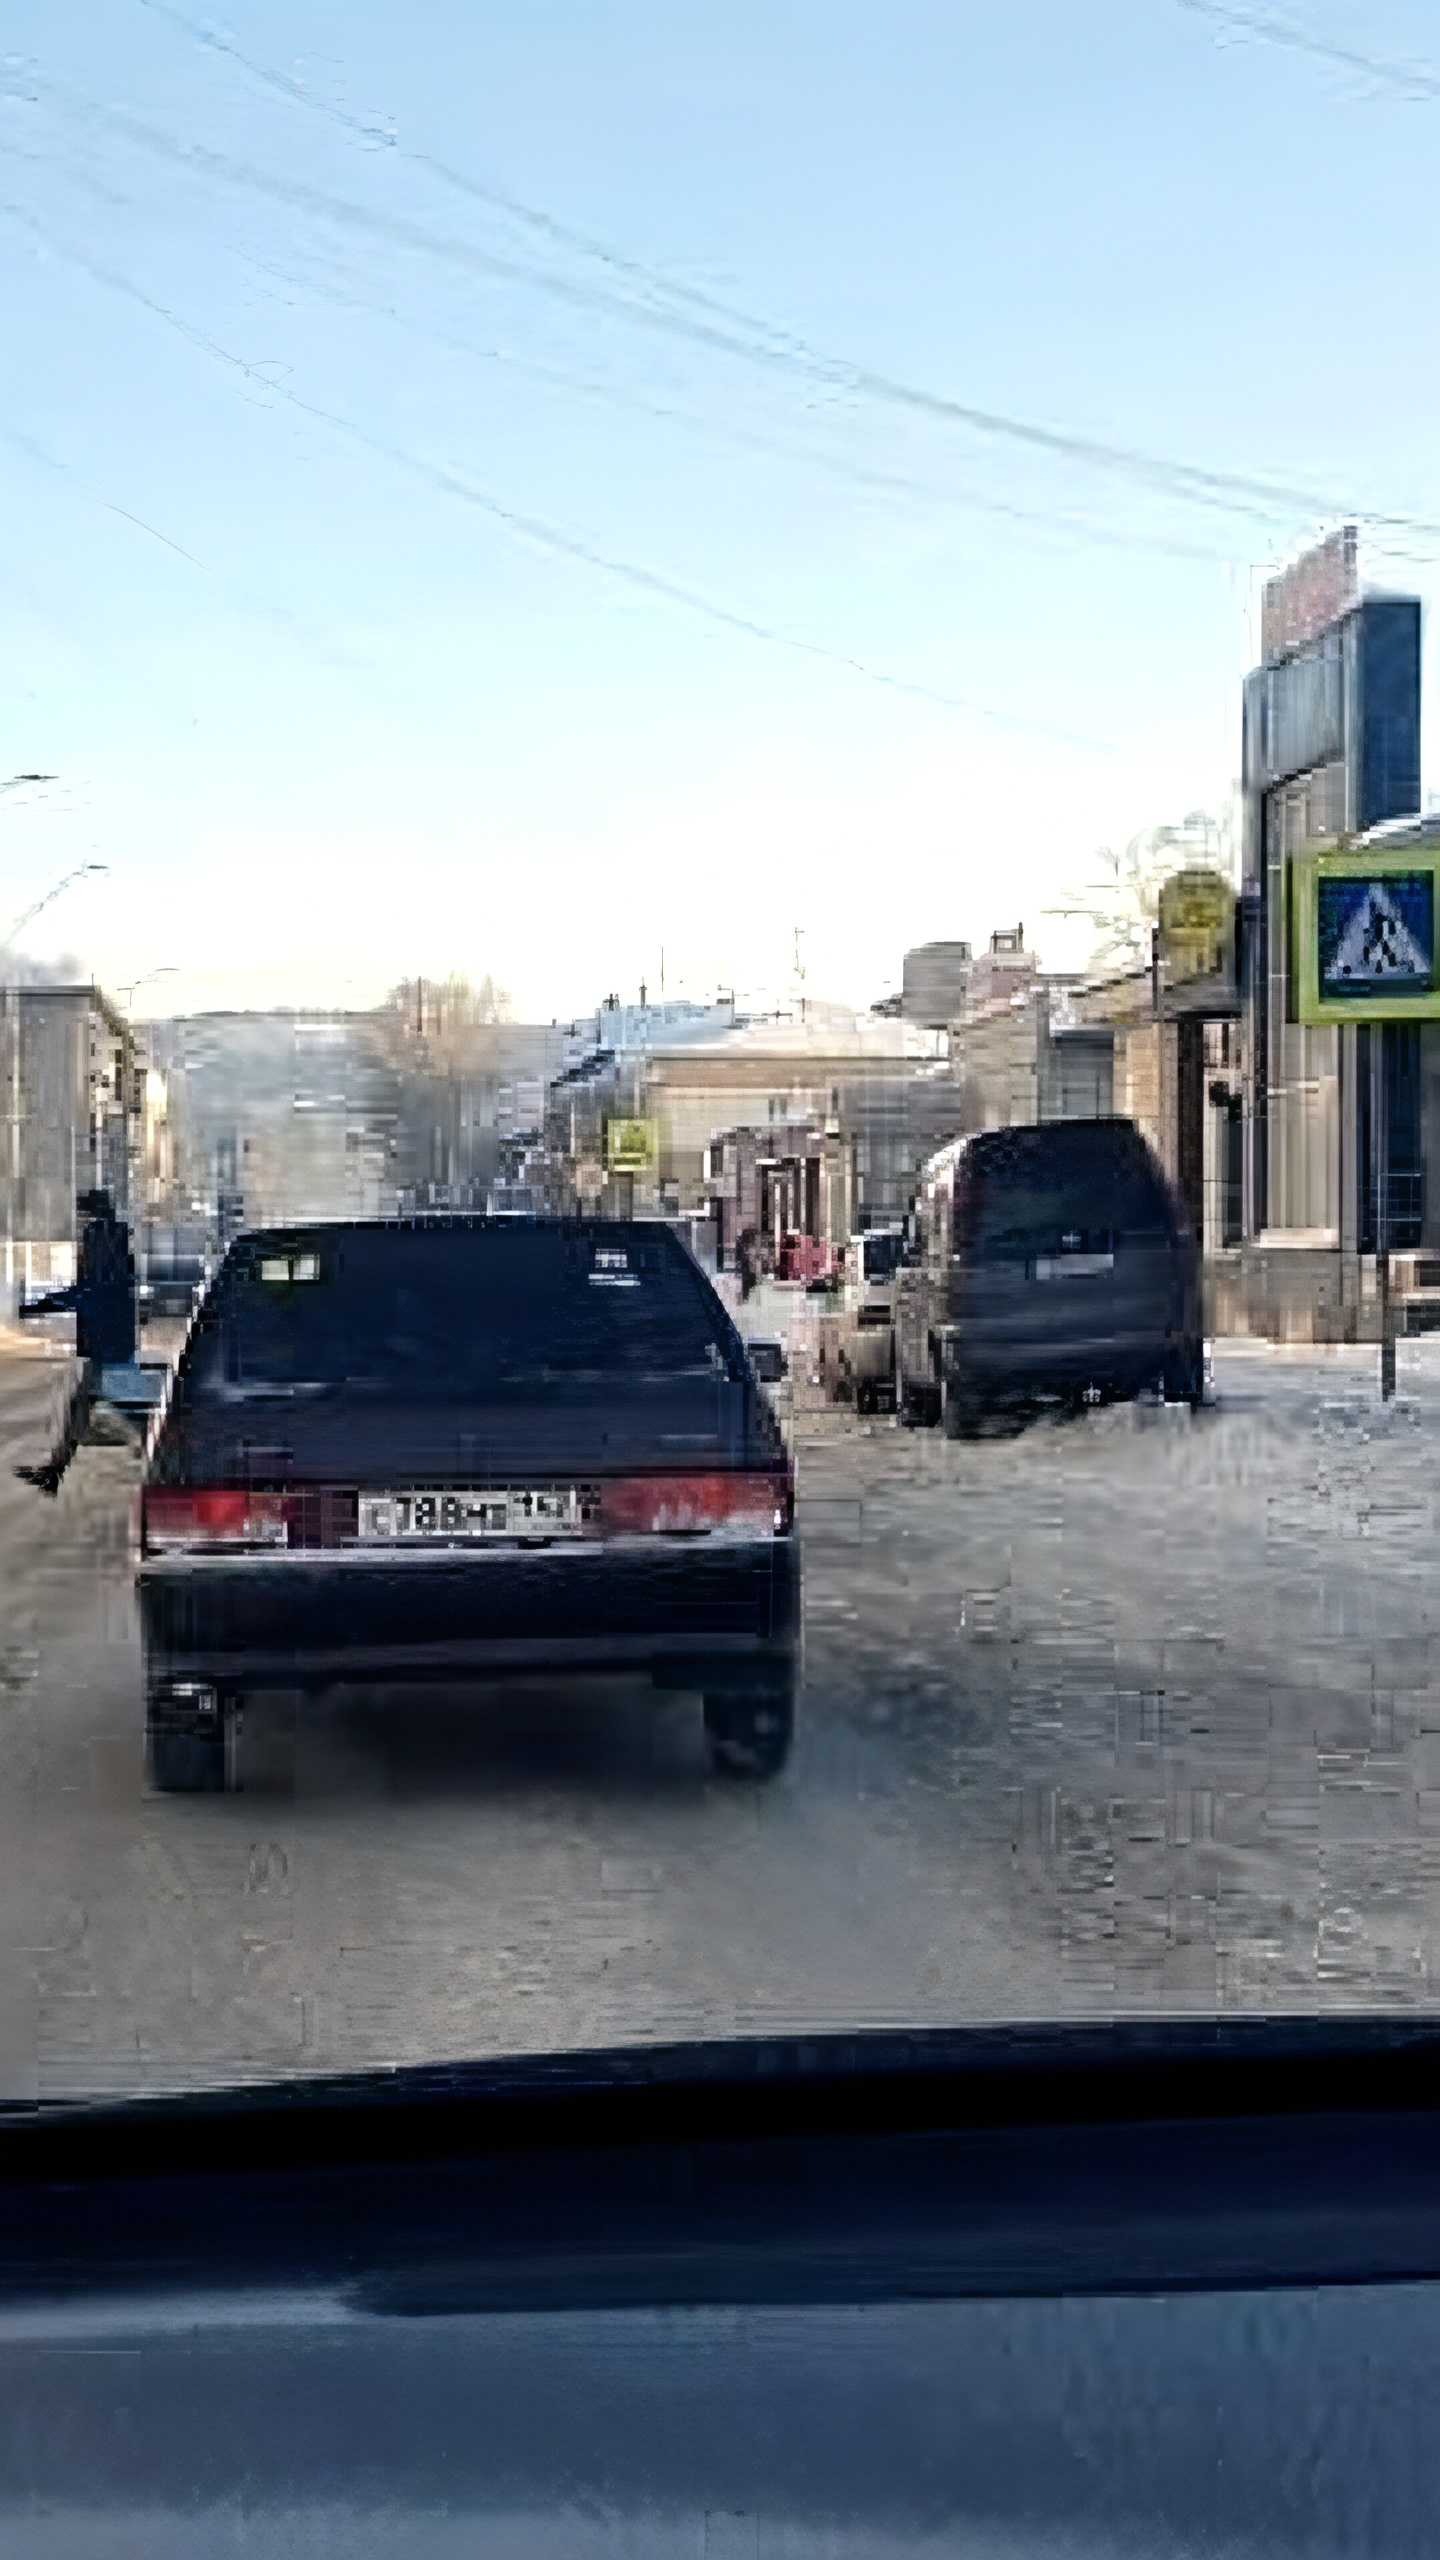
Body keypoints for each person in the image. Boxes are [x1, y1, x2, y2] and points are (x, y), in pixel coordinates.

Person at [15, 1191, 137, 1497]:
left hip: (105, 1340)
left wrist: (41, 1305)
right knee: (82, 1409)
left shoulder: (102, 1237)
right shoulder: (114, 1236)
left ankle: (58, 1474)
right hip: (109, 1338)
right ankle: (55, 1474)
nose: (80, 1220)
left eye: (83, 1213)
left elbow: (90, 1290)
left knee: (91, 1409)